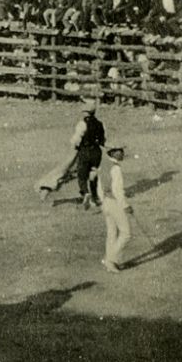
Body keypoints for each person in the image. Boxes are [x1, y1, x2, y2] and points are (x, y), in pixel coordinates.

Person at [99, 144, 132, 273]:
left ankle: (110, 264)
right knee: (126, 233)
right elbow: (117, 190)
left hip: (106, 202)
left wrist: (103, 201)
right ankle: (110, 259)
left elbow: (99, 186)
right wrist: (125, 205)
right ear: (112, 153)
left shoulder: (103, 165)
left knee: (111, 233)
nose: (122, 153)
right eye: (120, 151)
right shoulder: (116, 168)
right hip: (114, 203)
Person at [71, 100, 106, 209]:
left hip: (85, 151)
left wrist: (75, 147)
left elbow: (76, 139)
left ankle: (85, 193)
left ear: (85, 112)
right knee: (93, 173)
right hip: (96, 152)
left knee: (82, 174)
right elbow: (103, 139)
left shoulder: (82, 124)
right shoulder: (101, 124)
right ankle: (95, 196)